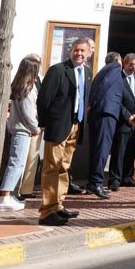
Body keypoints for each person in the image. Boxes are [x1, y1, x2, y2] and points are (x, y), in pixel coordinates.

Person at [35, 39, 92, 226]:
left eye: (83, 51)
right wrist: (45, 123)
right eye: (76, 50)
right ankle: (47, 211)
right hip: (58, 126)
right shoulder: (58, 70)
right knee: (52, 167)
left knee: (64, 167)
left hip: (76, 125)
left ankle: (58, 205)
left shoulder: (87, 72)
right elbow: (43, 100)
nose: (79, 54)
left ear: (89, 53)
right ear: (71, 50)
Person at [0, 54, 41, 211]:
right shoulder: (28, 88)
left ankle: (7, 195)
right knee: (17, 163)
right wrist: (35, 127)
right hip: (22, 130)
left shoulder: (18, 85)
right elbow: (28, 112)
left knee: (15, 162)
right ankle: (5, 196)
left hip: (17, 128)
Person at [86, 51, 125, 198]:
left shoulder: (104, 70)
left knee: (97, 149)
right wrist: (94, 104)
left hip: (101, 113)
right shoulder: (114, 68)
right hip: (106, 113)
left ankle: (92, 182)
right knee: (102, 149)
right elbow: (104, 86)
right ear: (117, 60)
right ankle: (96, 183)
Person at [109, 54, 135, 191]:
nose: (133, 67)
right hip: (122, 122)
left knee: (131, 151)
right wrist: (127, 116)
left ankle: (126, 177)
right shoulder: (117, 78)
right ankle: (114, 179)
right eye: (131, 64)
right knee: (119, 152)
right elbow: (116, 100)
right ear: (124, 63)